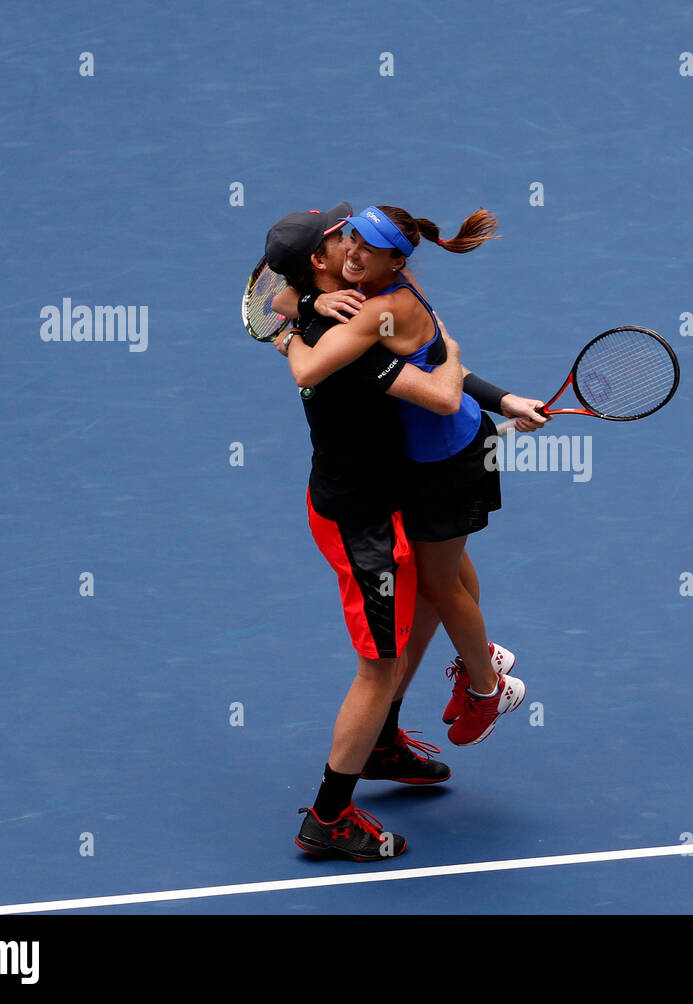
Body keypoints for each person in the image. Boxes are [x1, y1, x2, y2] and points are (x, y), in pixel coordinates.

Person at [264, 205, 540, 861]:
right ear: (319, 263)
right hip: (364, 522)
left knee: (426, 608)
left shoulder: (314, 304)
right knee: (379, 665)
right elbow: (441, 392)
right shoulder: (353, 343)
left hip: (373, 495)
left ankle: (383, 744)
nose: (349, 242)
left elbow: (283, 305)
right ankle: (328, 818)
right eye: (339, 239)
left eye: (355, 235)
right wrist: (453, 357)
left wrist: (291, 323)